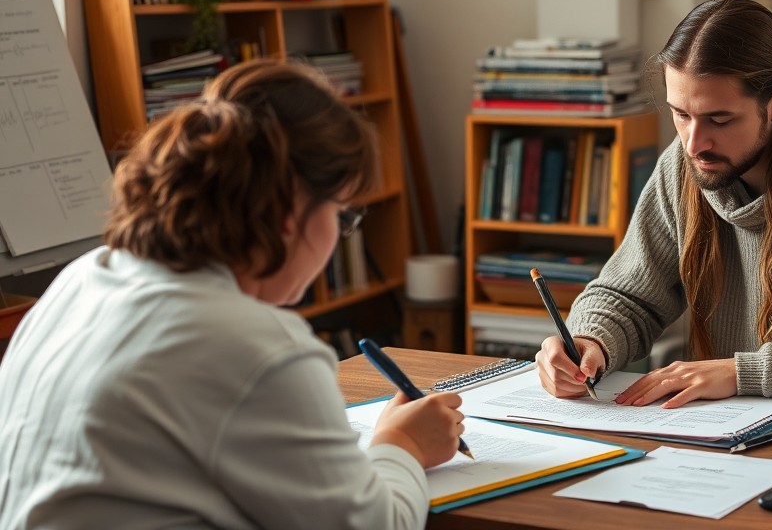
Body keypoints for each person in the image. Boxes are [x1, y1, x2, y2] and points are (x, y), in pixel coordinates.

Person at [0, 60, 464, 529]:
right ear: (289, 211)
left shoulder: (82, 280)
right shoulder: (256, 346)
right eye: (341, 216)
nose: (336, 238)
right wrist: (401, 446)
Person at [536, 0, 772, 407]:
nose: (693, 143)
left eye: (719, 119)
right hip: (717, 430)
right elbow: (629, 295)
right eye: (681, 114)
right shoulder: (683, 165)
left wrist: (740, 373)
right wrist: (588, 340)